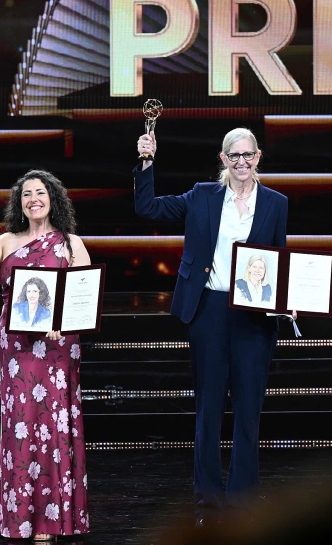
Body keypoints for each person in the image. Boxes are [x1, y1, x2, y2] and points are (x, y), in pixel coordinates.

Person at [134, 127, 289, 526]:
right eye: (234, 156)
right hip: (209, 312)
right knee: (209, 410)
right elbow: (148, 208)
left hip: (253, 316)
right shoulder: (202, 195)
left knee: (248, 413)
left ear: (258, 157)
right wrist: (147, 160)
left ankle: (243, 507)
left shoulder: (276, 203)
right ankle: (208, 506)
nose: (241, 162)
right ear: (223, 159)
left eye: (248, 155)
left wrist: (286, 300)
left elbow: (278, 260)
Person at [0, 169, 91, 541]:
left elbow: (84, 293)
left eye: (41, 192)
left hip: (57, 348)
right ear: (19, 203)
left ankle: (50, 521)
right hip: (17, 349)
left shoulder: (70, 244)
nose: (34, 199)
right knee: (21, 423)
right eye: (26, 194)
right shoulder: (7, 241)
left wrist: (63, 321)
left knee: (53, 424)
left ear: (54, 198)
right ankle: (19, 519)